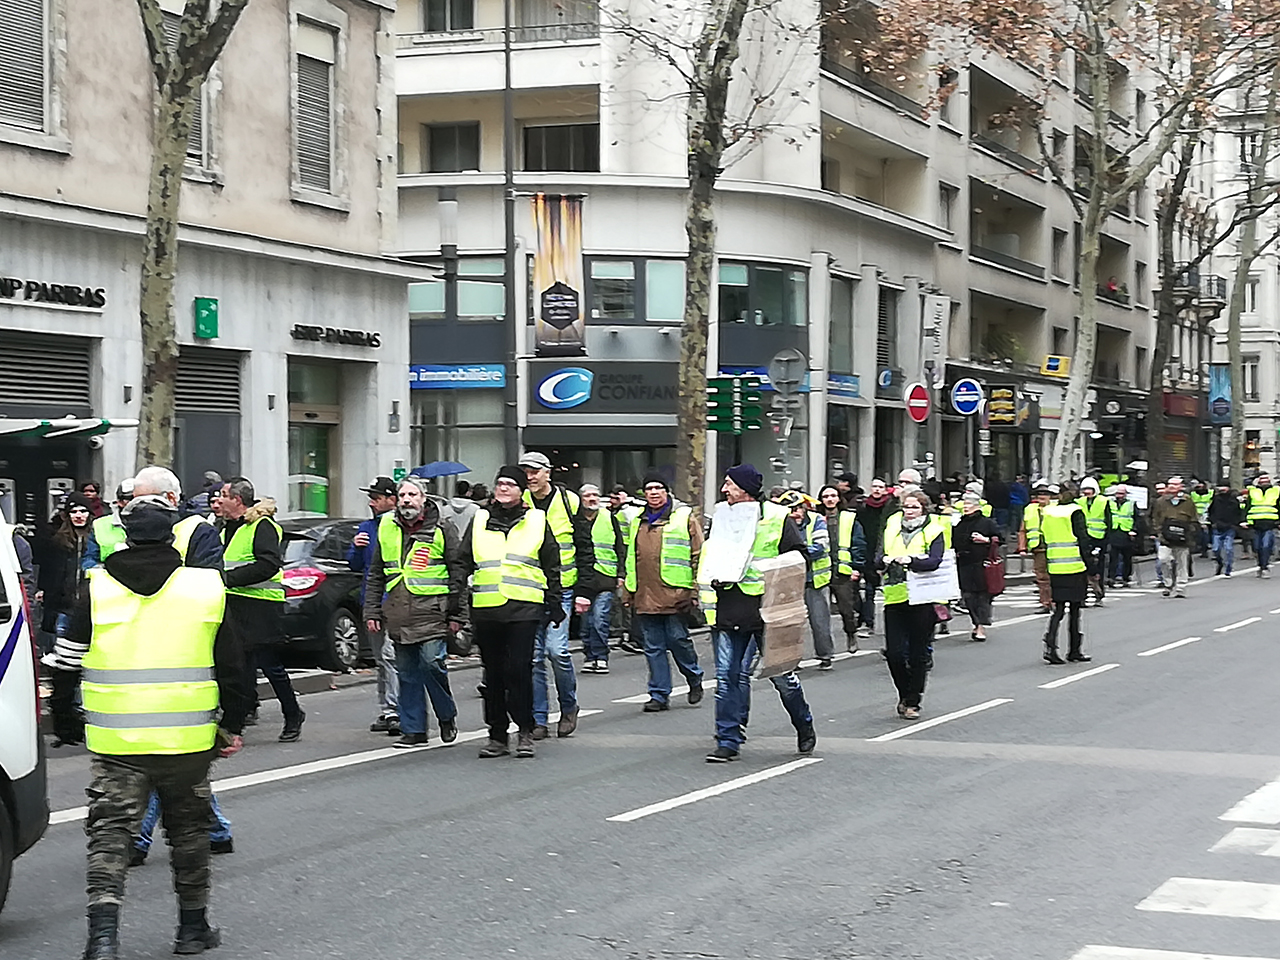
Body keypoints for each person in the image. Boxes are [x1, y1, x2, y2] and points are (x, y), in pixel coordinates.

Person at [51, 496, 240, 959]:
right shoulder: (205, 587)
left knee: (110, 835)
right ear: (172, 534)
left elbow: (66, 661)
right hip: (188, 739)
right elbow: (233, 665)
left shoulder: (96, 586)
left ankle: (103, 939)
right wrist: (232, 725)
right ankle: (193, 930)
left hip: (117, 741)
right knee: (189, 834)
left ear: (128, 534)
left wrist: (64, 718)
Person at [697, 464, 815, 762]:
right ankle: (728, 740)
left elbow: (799, 557)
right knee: (727, 677)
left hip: (767, 608)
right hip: (730, 606)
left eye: (729, 484)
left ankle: (804, 724)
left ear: (746, 488)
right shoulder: (722, 515)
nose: (724, 490)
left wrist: (770, 571)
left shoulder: (776, 516)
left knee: (782, 676)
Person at [459, 466, 563, 758]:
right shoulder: (479, 520)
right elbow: (463, 561)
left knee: (519, 671)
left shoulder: (537, 520)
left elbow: (551, 563)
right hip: (487, 608)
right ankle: (497, 735)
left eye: (510, 484)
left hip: (524, 608)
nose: (503, 488)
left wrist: (554, 603)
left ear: (521, 491)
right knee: (492, 676)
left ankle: (525, 731)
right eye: (500, 483)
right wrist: (456, 604)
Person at [363, 477, 464, 749]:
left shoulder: (442, 527)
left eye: (413, 495)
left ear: (423, 499)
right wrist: (372, 610)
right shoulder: (386, 527)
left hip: (433, 612)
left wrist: (458, 615)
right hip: (398, 613)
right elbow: (376, 574)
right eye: (403, 495)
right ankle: (414, 729)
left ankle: (446, 715)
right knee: (406, 673)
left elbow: (459, 572)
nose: (407, 499)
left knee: (432, 664)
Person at [219, 477, 304, 742]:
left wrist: (227, 578)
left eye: (223, 495)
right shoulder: (228, 528)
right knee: (238, 665)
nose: (218, 499)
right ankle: (237, 720)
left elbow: (268, 565)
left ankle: (292, 713)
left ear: (237, 499)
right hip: (234, 604)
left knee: (270, 665)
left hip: (261, 607)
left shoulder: (263, 526)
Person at [519, 451, 592, 740]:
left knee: (556, 651)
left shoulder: (568, 501)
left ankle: (568, 705)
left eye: (535, 471)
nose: (530, 476)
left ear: (548, 473)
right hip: (529, 588)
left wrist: (584, 591)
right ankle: (538, 719)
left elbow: (584, 546)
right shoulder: (518, 502)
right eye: (526, 471)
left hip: (562, 588)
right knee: (533, 657)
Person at [623, 471, 705, 711]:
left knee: (678, 639)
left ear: (667, 491)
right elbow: (631, 557)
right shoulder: (638, 520)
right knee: (653, 646)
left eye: (658, 488)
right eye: (649, 489)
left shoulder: (684, 516)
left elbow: (698, 554)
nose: (654, 493)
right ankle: (659, 694)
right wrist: (629, 589)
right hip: (645, 592)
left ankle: (693, 675)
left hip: (675, 592)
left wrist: (694, 590)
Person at [877, 489, 950, 718]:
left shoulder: (934, 529)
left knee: (918, 654)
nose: (909, 511)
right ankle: (904, 693)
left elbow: (935, 560)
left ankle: (913, 701)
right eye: (906, 507)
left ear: (923, 509)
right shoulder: (892, 525)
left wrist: (911, 561)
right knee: (895, 654)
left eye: (914, 507)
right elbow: (877, 556)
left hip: (923, 597)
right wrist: (884, 560)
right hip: (895, 596)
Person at [348, 476, 401, 736]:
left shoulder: (398, 526)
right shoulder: (367, 527)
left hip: (395, 601)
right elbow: (357, 566)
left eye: (377, 498)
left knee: (392, 657)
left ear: (392, 500)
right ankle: (387, 708)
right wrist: (356, 549)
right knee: (381, 659)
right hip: (372, 602)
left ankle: (397, 709)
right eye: (371, 497)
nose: (372, 502)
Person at [775, 491, 836, 669]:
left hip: (814, 579)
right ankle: (792, 659)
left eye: (798, 508)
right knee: (791, 622)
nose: (796, 513)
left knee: (819, 621)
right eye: (791, 510)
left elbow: (820, 547)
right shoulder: (781, 523)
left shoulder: (816, 520)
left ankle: (825, 655)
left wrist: (795, 554)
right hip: (790, 580)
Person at [1041, 484, 1091, 664]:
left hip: (1055, 566)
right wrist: (1091, 568)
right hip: (1075, 567)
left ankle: (1051, 645)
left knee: (1058, 610)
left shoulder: (1048, 512)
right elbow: (1083, 540)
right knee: (1075, 610)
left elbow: (1044, 537)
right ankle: (1074, 650)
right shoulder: (1075, 512)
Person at [577, 483, 624, 674]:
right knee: (586, 621)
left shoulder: (609, 518)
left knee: (600, 618)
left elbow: (620, 547)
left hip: (606, 577)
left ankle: (601, 656)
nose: (592, 498)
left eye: (595, 495)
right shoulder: (575, 521)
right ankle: (589, 656)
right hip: (582, 579)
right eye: (588, 495)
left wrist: (621, 574)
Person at [818, 484, 865, 652]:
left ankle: (851, 634)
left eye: (832, 496)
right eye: (825, 496)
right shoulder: (816, 518)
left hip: (842, 571)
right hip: (821, 571)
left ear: (839, 498)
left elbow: (858, 543)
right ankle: (825, 647)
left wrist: (857, 567)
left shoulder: (848, 518)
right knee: (820, 613)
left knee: (846, 609)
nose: (829, 499)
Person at [953, 492, 1000, 641]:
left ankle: (980, 626)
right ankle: (975, 622)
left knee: (982, 596)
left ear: (977, 507)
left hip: (982, 563)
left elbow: (999, 538)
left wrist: (985, 539)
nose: (966, 508)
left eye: (969, 505)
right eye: (964, 505)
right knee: (968, 596)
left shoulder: (986, 522)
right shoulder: (959, 523)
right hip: (963, 563)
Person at [610, 484, 645, 656]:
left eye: (616, 498)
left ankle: (636, 638)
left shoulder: (628, 511)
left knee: (633, 600)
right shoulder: (618, 512)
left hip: (630, 556)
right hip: (627, 556)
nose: (612, 501)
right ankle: (633, 636)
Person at [856, 478, 893, 638]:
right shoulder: (863, 507)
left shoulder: (889, 507)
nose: (877, 490)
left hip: (884, 550)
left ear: (885, 489)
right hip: (866, 549)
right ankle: (867, 621)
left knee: (875, 589)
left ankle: (868, 621)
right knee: (866, 589)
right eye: (874, 487)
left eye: (880, 487)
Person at [1152, 476, 1200, 598]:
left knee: (1181, 562)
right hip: (1165, 536)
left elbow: (1193, 518)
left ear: (1181, 487)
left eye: (1175, 484)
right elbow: (1155, 518)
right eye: (1170, 484)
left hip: (1183, 536)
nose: (1172, 486)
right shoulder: (1160, 501)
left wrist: (1191, 532)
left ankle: (1180, 587)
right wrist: (1158, 532)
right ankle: (1168, 583)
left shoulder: (1187, 501)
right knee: (1163, 559)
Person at [82, 480, 135, 571]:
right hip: (111, 581)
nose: (136, 503)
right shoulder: (100, 525)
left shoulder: (161, 524)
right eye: (131, 499)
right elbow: (89, 559)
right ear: (119, 501)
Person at [1019, 481, 1053, 613]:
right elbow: (1023, 530)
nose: (1041, 497)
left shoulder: (1056, 509)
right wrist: (1022, 547)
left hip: (1054, 547)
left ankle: (1055, 601)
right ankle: (1045, 603)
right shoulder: (1029, 509)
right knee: (1041, 577)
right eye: (1039, 495)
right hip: (1038, 548)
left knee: (1054, 576)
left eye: (1045, 495)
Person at [1076, 478, 1111, 606]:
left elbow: (1109, 520)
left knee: (1098, 568)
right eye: (1085, 490)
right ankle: (1082, 596)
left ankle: (1099, 594)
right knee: (1082, 569)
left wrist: (1107, 540)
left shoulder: (1104, 501)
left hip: (1099, 538)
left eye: (1089, 489)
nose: (1087, 492)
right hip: (1084, 539)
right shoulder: (1079, 502)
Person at [1244, 473, 1279, 578]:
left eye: (1266, 481)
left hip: (1270, 523)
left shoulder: (1276, 491)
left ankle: (1264, 567)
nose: (1264, 484)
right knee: (1257, 547)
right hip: (1255, 523)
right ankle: (1261, 565)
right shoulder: (1253, 491)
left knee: (1266, 546)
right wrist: (1244, 520)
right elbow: (1248, 506)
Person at [1208, 481, 1243, 577]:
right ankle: (1220, 563)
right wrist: (1213, 522)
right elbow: (1211, 512)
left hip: (1229, 527)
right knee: (1215, 549)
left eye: (1224, 487)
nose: (1222, 489)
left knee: (1228, 548)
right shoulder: (1215, 499)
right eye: (1221, 487)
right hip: (1217, 527)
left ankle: (1228, 567)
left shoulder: (1233, 500)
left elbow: (1238, 513)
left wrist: (1235, 524)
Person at [1105, 484, 1137, 588]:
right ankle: (1111, 577)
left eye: (1122, 493)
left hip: (1127, 533)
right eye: (1118, 493)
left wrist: (1134, 530)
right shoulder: (1110, 503)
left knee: (1127, 557)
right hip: (1114, 531)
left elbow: (1137, 518)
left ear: (1126, 494)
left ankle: (1126, 577)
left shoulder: (1131, 504)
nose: (1120, 495)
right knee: (1113, 557)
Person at [1190, 480, 1213, 559]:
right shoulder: (1192, 494)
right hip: (1196, 516)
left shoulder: (1211, 493)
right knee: (1198, 534)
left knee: (1204, 534)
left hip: (1206, 515)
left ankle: (1204, 549)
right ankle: (1201, 548)